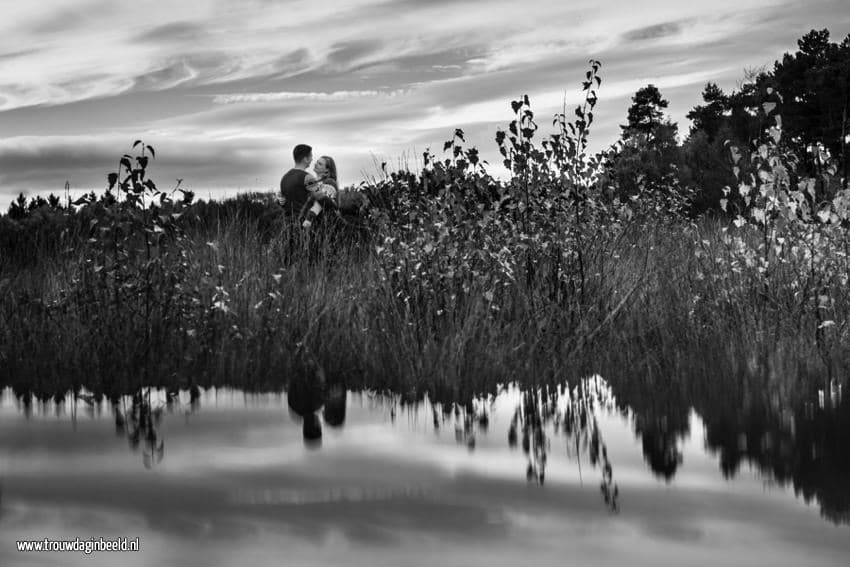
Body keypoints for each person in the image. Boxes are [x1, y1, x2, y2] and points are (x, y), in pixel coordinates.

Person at [301, 155, 339, 228]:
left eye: (320, 164)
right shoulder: (314, 182)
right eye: (317, 162)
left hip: (322, 227)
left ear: (327, 170)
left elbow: (320, 202)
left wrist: (309, 218)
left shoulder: (329, 182)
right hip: (310, 228)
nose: (315, 164)